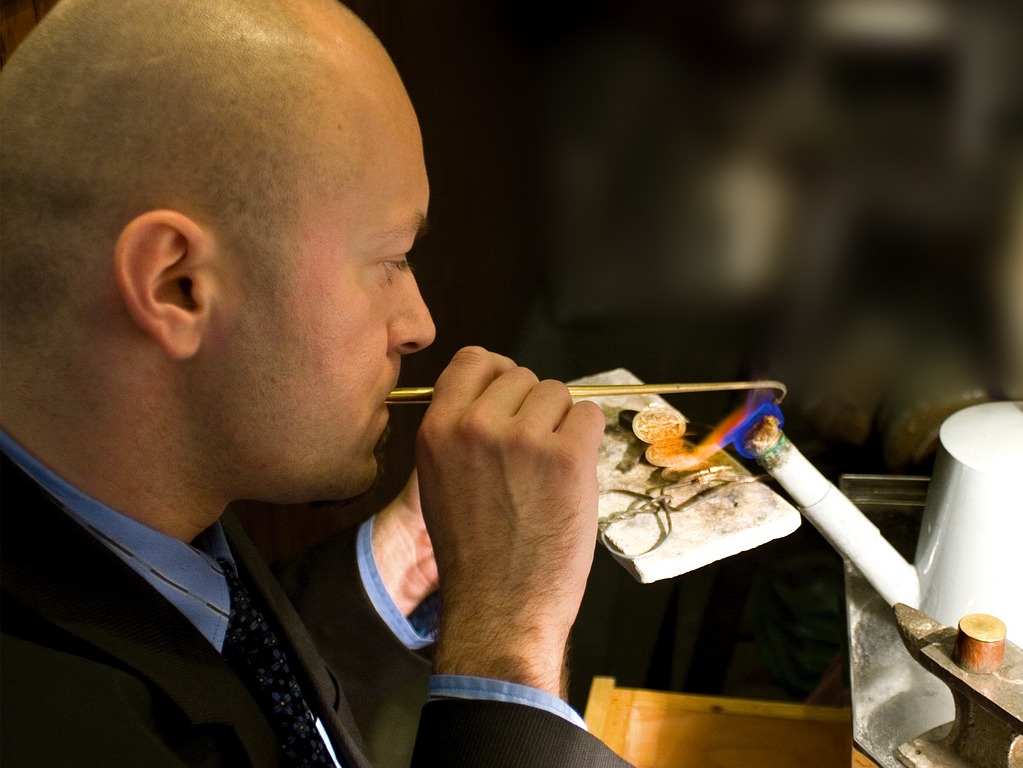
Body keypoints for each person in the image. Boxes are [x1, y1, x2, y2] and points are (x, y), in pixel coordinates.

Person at [0, 0, 630, 765]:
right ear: (178, 285)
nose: (420, 325)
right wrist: (508, 642)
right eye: (390, 259)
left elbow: (202, 653)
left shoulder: (135, 495)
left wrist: (399, 564)